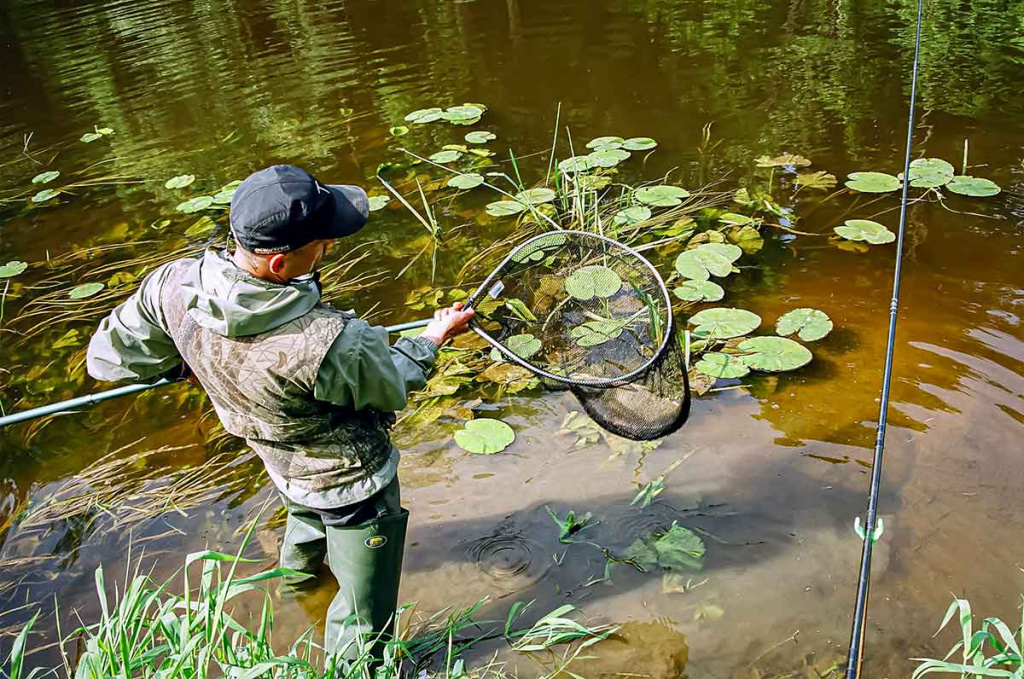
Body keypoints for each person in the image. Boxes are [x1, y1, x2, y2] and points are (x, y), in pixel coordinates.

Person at [86, 164, 474, 657]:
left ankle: (301, 591)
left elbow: (108, 359)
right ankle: (361, 665)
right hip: (352, 484)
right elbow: (392, 387)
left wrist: (182, 363)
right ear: (278, 263)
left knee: (304, 530)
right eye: (322, 242)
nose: (329, 245)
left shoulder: (172, 283)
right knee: (364, 618)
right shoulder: (334, 340)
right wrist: (431, 338)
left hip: (280, 463)